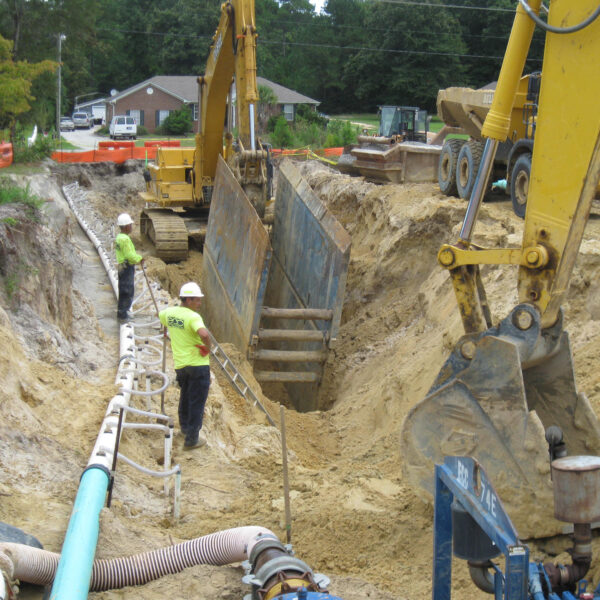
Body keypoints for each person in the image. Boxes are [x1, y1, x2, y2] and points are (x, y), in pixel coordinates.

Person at [159, 282, 212, 450]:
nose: (199, 304)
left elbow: (160, 315)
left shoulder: (169, 313)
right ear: (188, 300)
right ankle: (192, 440)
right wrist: (207, 348)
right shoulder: (193, 317)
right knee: (197, 402)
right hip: (198, 365)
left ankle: (184, 429)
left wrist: (167, 329)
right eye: (197, 300)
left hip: (181, 365)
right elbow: (204, 333)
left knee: (186, 396)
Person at [115, 213, 143, 323]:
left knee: (124, 290)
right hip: (126, 267)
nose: (131, 227)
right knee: (127, 290)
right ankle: (122, 315)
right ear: (126, 226)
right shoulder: (125, 239)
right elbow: (129, 255)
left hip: (123, 266)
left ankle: (123, 312)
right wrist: (139, 258)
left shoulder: (120, 237)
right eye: (130, 225)